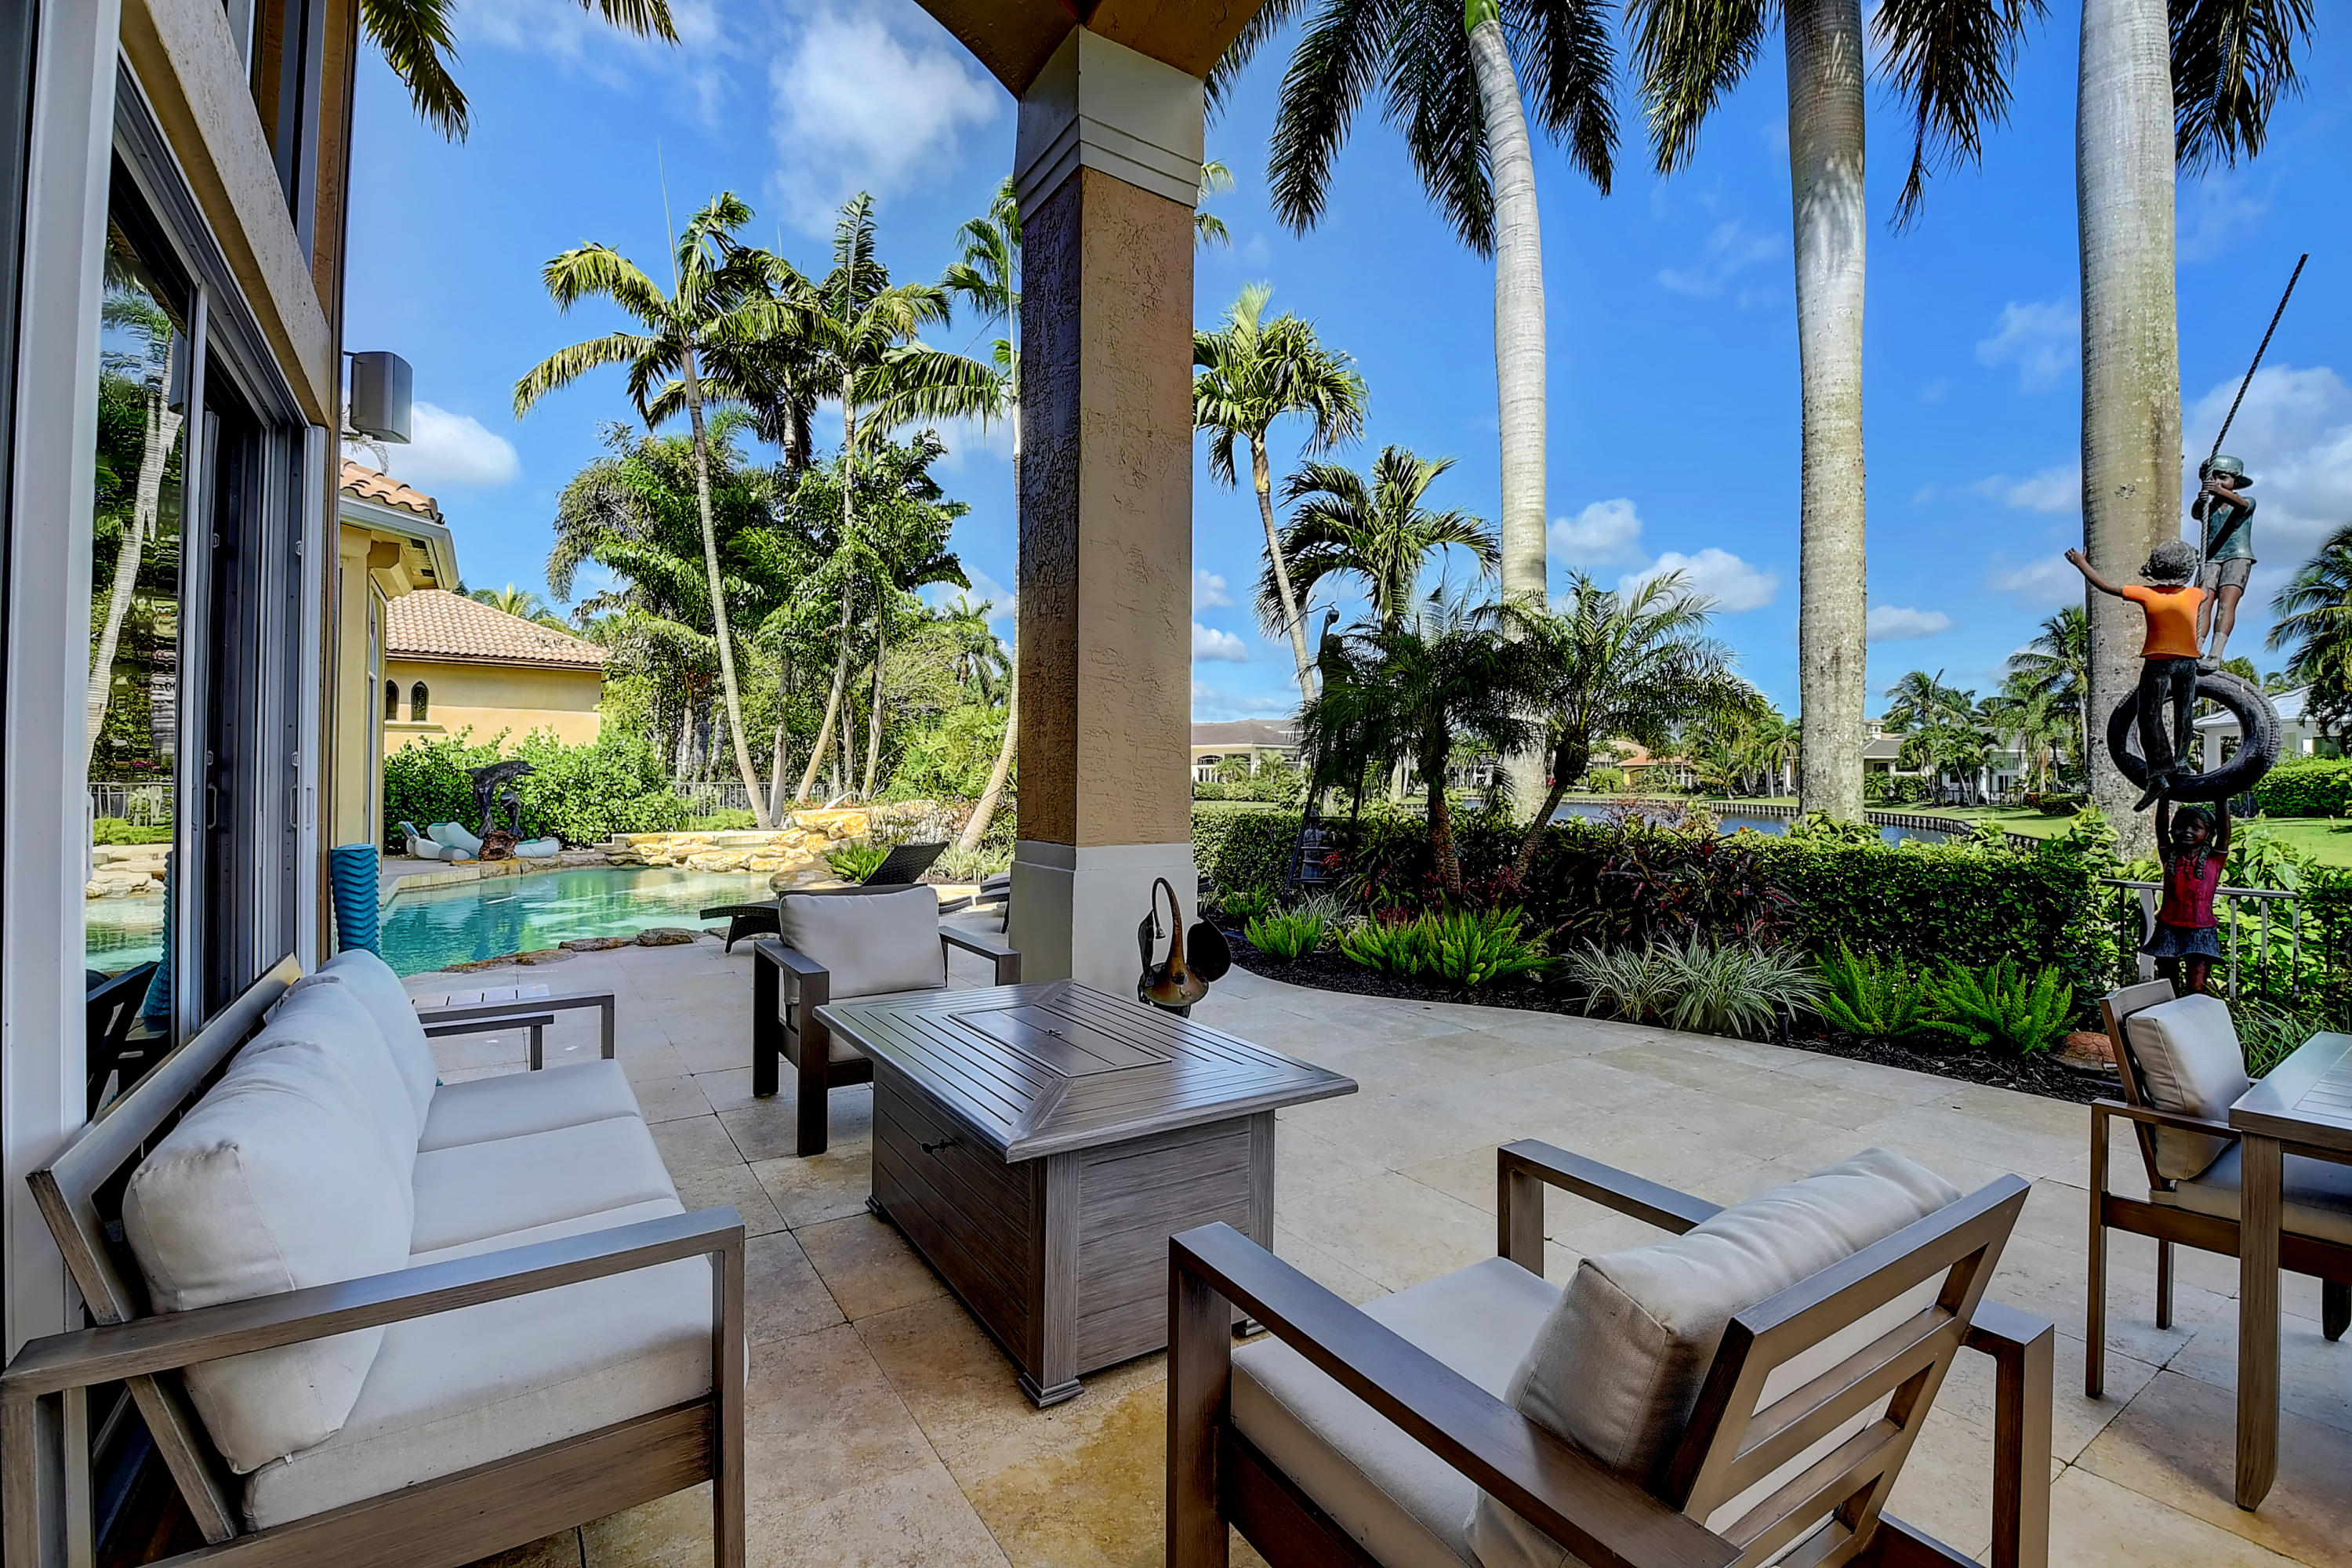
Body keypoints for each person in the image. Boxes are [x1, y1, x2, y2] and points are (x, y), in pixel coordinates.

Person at [2066, 538, 2209, 811]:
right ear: (2187, 570)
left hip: (2158, 662)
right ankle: (2180, 762)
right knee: (2184, 713)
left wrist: (2081, 564)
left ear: (2156, 568)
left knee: (2149, 716)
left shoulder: (2146, 593)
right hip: (2188, 661)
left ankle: (2159, 773)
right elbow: (2210, 585)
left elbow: (2106, 586)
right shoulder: (2195, 595)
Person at [2143, 799, 2230, 995]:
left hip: (2201, 930)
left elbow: (2225, 833)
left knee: (2196, 987)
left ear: (2208, 833)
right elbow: (2161, 828)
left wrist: (2221, 799)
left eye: (2196, 827)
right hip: (2168, 928)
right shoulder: (2170, 854)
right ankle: (2166, 1022)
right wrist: (2163, 797)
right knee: (2166, 986)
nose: (2187, 831)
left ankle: (2191, 1020)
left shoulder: (2214, 860)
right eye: (2180, 826)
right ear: (2173, 830)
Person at [2193, 455, 2256, 671]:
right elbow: (2195, 513)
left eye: (2222, 478)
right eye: (2212, 478)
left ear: (2235, 481)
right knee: (2202, 605)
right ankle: (2195, 648)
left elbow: (2244, 505)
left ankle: (2216, 653)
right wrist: (2204, 498)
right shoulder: (2208, 507)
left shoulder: (2245, 502)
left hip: (2236, 557)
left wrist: (2219, 492)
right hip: (2210, 558)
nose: (2217, 482)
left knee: (2226, 605)